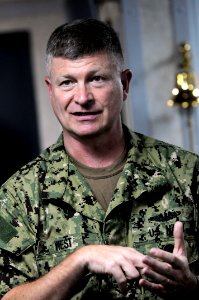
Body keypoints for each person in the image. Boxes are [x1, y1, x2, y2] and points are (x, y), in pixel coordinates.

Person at [0, 18, 198, 300]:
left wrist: (191, 286)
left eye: (97, 79)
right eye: (67, 82)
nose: (82, 97)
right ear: (50, 90)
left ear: (124, 83)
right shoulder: (17, 196)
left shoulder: (188, 174)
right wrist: (80, 259)